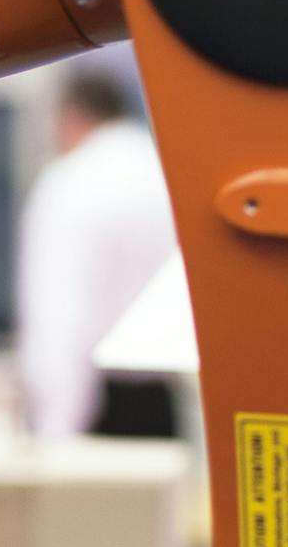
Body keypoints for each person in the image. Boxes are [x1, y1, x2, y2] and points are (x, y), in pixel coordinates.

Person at [15, 55, 179, 439]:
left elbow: (60, 318)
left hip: (96, 408)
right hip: (163, 404)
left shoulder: (69, 183)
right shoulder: (160, 172)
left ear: (69, 117)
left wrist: (55, 434)